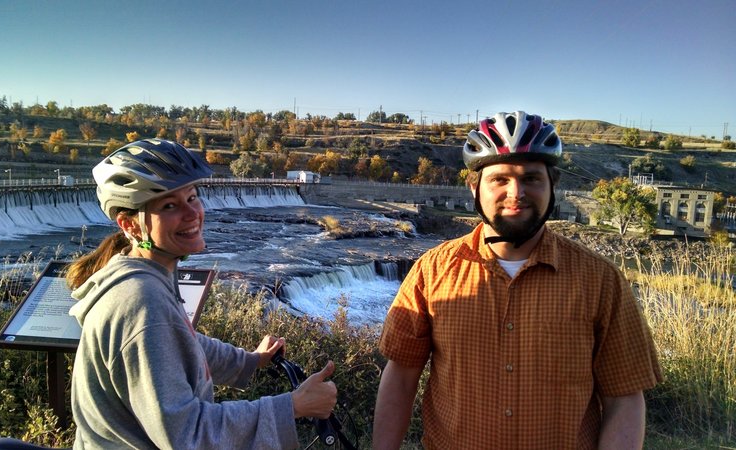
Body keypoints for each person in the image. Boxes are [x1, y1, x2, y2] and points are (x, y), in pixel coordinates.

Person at [372, 111, 662, 449]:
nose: (516, 192)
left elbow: (624, 398)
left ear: (553, 185)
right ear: (474, 186)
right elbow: (401, 379)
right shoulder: (431, 272)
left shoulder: (600, 280)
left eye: (531, 178)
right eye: (500, 179)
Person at [65, 138, 337, 449]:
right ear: (131, 225)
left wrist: (250, 361)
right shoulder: (142, 303)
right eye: (169, 205)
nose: (192, 213)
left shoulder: (145, 276)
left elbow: (183, 343)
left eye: (192, 198)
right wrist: (292, 406)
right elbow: (188, 435)